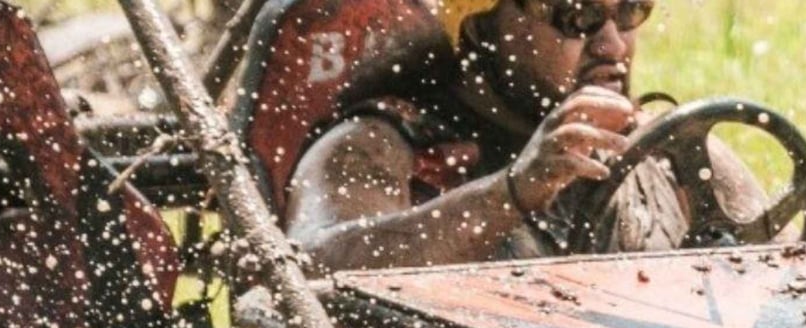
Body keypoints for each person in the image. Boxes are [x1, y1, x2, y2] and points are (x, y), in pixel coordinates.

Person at [284, 0, 767, 273]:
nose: (612, 44)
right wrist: (509, 193)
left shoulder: (676, 154)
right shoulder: (378, 144)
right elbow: (307, 269)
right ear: (480, 31)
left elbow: (798, 290)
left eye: (629, 11)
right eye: (576, 16)